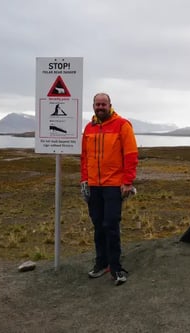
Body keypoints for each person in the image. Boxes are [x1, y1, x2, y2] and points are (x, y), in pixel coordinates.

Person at [80, 93, 138, 286]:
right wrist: (84, 181)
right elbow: (84, 157)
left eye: (103, 104)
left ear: (110, 105)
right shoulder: (89, 128)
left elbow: (131, 155)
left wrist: (128, 182)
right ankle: (101, 263)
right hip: (94, 186)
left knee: (111, 226)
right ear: (93, 106)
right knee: (98, 225)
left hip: (114, 185)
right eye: (97, 104)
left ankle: (116, 268)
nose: (100, 107)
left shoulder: (123, 125)